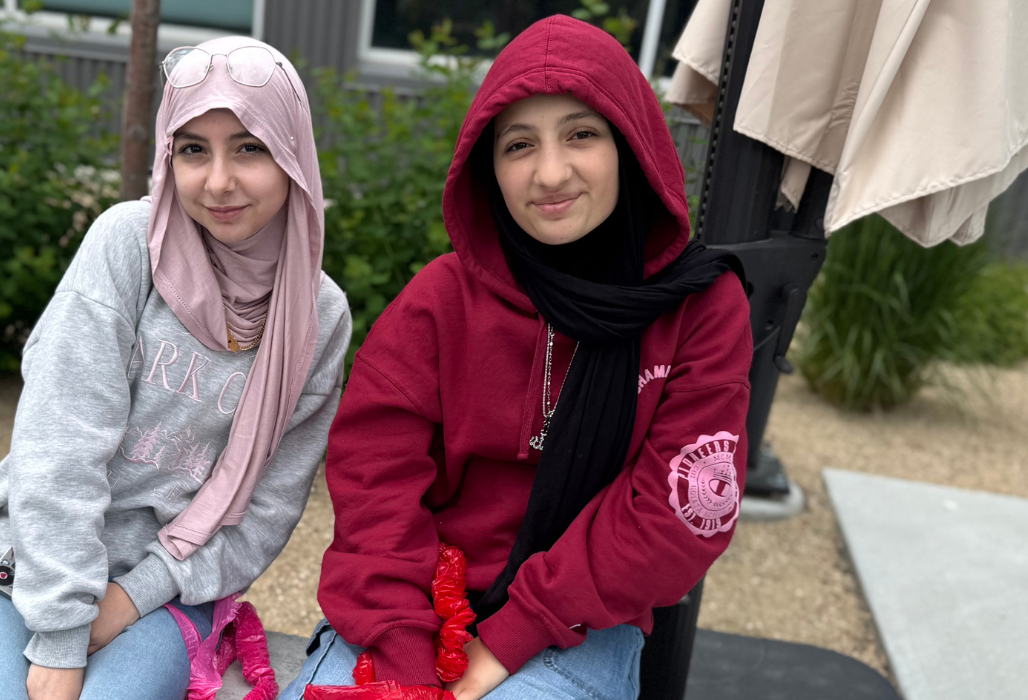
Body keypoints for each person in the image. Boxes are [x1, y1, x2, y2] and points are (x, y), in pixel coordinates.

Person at [285, 16, 751, 700]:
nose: (551, 172)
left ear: (630, 145)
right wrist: (410, 661)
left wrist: (506, 642)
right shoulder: (438, 302)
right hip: (407, 606)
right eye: (519, 144)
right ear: (488, 168)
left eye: (582, 134)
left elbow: (672, 518)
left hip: (581, 622)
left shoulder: (699, 309)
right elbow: (374, 485)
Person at [0, 36, 350, 700]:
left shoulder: (318, 315)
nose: (218, 182)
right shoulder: (128, 245)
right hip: (26, 557)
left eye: (249, 147)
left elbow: (267, 508)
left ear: (293, 153)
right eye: (193, 149)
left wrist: (131, 596)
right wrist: (64, 636)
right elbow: (59, 443)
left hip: (167, 589)